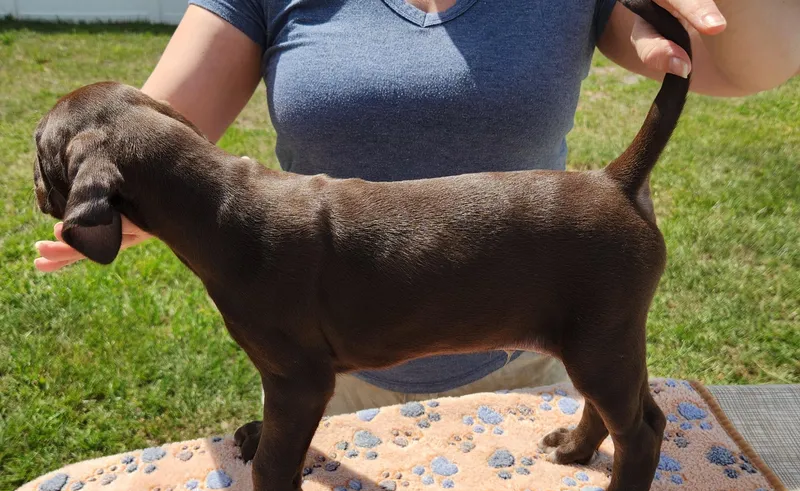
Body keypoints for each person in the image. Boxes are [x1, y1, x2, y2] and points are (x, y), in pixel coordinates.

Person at [34, 0, 799, 415]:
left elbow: (756, 59)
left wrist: (706, 15)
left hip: (536, 371)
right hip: (337, 378)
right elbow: (156, 137)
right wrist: (112, 196)